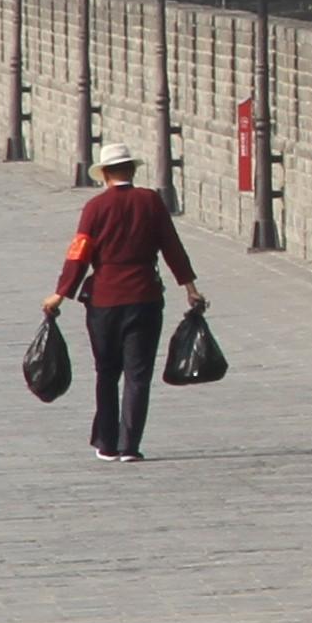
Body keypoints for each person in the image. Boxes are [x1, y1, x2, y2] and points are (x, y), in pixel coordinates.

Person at [46, 137, 197, 463]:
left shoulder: (95, 208)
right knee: (138, 374)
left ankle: (107, 443)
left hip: (104, 299)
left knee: (106, 372)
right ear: (131, 170)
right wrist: (189, 285)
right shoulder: (151, 202)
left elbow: (80, 253)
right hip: (144, 296)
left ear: (104, 175)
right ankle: (130, 445)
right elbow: (171, 246)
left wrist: (61, 292)